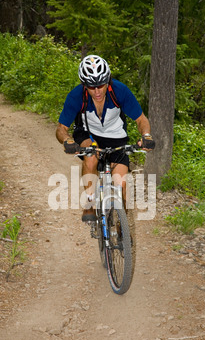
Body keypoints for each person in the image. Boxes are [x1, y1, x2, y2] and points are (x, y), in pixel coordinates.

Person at [56, 54, 155, 222]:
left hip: (116, 137)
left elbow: (141, 119)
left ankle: (121, 225)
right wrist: (67, 140)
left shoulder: (120, 91)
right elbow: (61, 129)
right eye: (91, 87)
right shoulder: (76, 96)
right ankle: (89, 202)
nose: (97, 91)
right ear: (84, 85)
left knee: (122, 184)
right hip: (88, 134)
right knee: (91, 157)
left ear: (108, 81)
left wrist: (146, 136)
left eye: (101, 85)